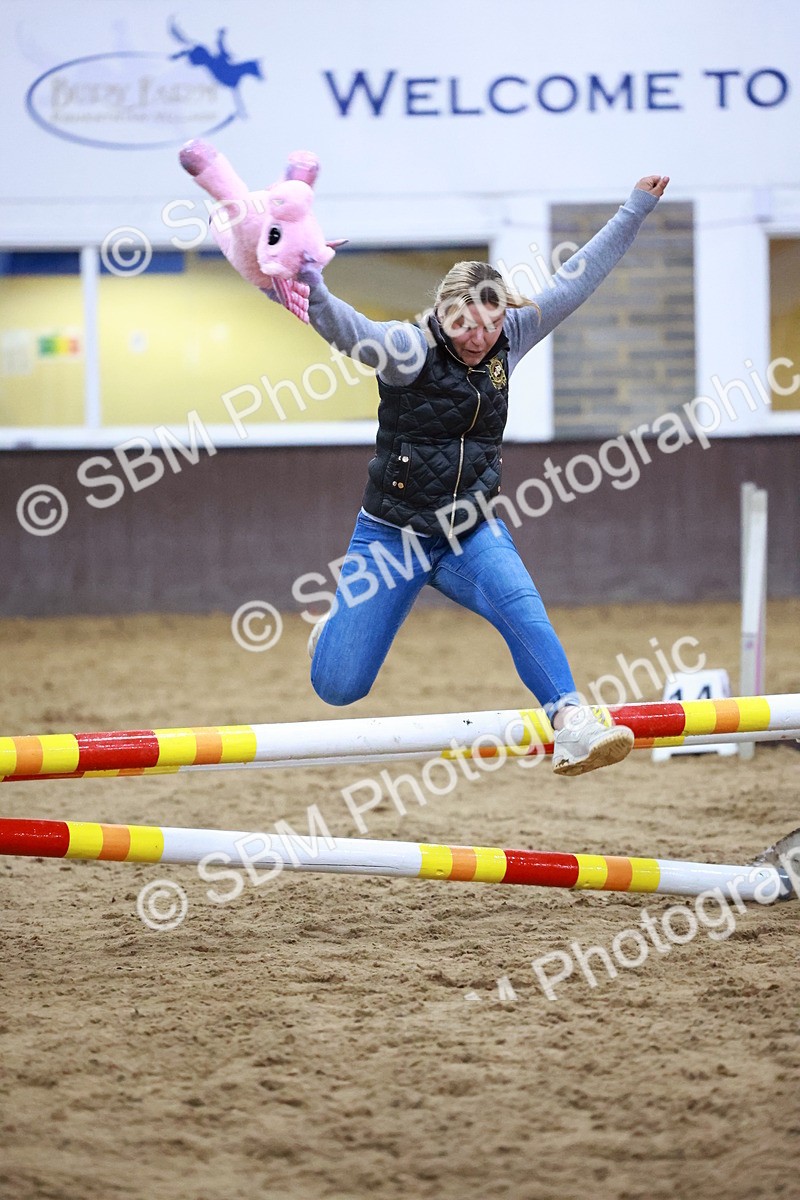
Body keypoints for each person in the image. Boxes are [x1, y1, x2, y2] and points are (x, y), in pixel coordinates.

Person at [295, 175, 669, 775]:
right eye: (467, 328)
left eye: (491, 326)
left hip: (470, 528)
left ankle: (571, 722)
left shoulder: (509, 337)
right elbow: (347, 329)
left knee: (522, 604)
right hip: (393, 536)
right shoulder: (407, 349)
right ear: (443, 315)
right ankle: (334, 633)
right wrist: (309, 281)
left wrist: (637, 207)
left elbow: (578, 281)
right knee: (340, 688)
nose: (480, 339)